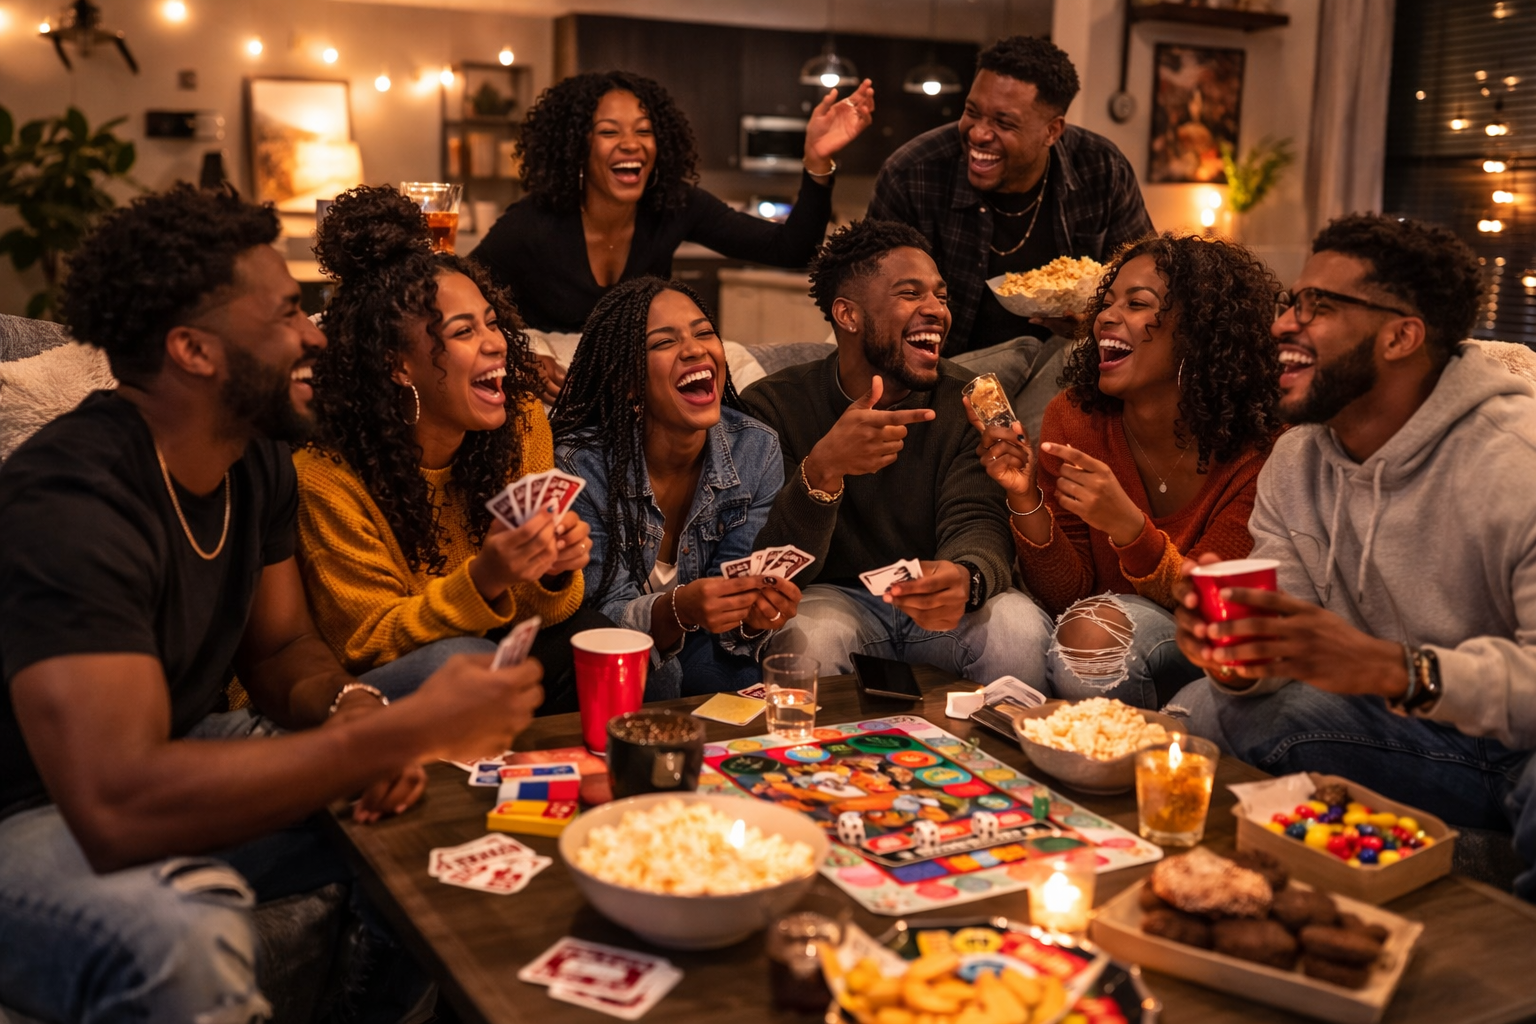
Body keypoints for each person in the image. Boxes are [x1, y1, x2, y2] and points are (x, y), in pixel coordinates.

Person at [0, 185, 545, 1021]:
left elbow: (285, 651)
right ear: (193, 349)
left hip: (177, 751)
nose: (317, 336)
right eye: (288, 313)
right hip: (35, 813)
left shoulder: (251, 463)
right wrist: (395, 735)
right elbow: (115, 801)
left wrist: (355, 708)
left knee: (443, 765)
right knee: (180, 932)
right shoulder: (72, 498)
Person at [1167, 214, 1536, 900]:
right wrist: (1237, 653)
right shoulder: (1298, 457)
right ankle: (1227, 900)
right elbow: (1287, 646)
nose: (1283, 325)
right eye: (1292, 302)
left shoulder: (1517, 462)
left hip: (1521, 751)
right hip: (1417, 735)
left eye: (1321, 308)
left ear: (1401, 335)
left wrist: (1395, 670)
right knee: (1208, 708)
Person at [296, 185, 599, 713]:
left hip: (480, 651)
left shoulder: (523, 423)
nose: (496, 342)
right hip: (364, 692)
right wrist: (487, 576)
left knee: (602, 644)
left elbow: (541, 615)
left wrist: (549, 570)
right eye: (464, 331)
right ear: (398, 364)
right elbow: (365, 642)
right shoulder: (325, 475)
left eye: (491, 321)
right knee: (459, 659)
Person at [967, 234, 1281, 709]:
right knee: (1085, 637)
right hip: (1099, 630)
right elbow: (1065, 596)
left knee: (1091, 640)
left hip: (1211, 646)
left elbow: (1220, 607)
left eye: (1137, 304)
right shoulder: (1075, 418)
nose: (1106, 318)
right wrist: (1025, 496)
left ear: (1199, 332)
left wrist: (1129, 528)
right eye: (1107, 302)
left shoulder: (1262, 446)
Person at [741, 219, 1052, 685]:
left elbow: (977, 520)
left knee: (1017, 630)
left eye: (941, 297)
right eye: (911, 294)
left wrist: (968, 577)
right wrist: (822, 471)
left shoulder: (965, 400)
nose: (937, 311)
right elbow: (770, 566)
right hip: (832, 598)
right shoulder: (774, 404)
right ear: (848, 315)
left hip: (938, 600)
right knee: (811, 640)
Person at [473, 69, 875, 400]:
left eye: (644, 131)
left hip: (638, 394)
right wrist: (519, 356)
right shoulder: (530, 224)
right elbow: (461, 299)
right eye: (609, 132)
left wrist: (817, 162)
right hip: (558, 400)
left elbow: (791, 249)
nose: (631, 144)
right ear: (578, 148)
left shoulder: (675, 205)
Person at [868, 36, 1152, 430]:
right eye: (972, 112)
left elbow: (1148, 285)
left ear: (1052, 131)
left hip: (1067, 380)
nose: (979, 134)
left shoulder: (1101, 169)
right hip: (944, 384)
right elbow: (872, 303)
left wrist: (1095, 318)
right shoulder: (913, 172)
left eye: (1003, 123)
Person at [553, 277, 802, 699]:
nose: (695, 348)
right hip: (607, 650)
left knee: (743, 698)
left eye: (705, 332)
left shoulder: (755, 448)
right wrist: (679, 607)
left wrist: (753, 615)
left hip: (703, 641)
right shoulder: (579, 466)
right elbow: (602, 620)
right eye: (664, 342)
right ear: (629, 380)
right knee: (659, 683)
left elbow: (733, 603)